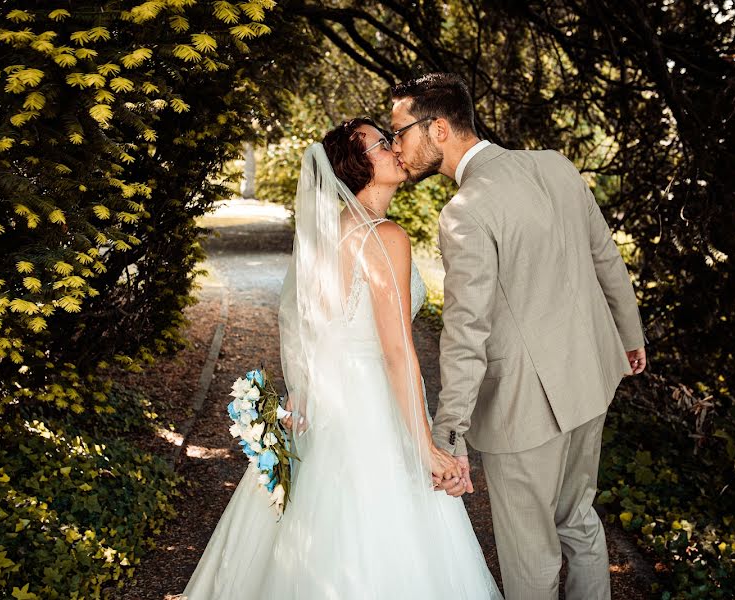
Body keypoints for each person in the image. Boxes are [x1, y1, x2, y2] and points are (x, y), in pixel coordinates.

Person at [182, 118, 502, 599]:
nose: (397, 147)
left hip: (330, 403)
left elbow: (311, 334)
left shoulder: (326, 230)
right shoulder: (385, 236)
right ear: (357, 165)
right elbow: (397, 353)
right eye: (382, 143)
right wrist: (424, 447)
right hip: (372, 408)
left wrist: (304, 399)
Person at [390, 72, 647, 600]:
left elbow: (467, 330)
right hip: (593, 379)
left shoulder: (465, 211)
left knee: (530, 556)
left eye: (400, 131)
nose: (397, 146)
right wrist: (629, 335)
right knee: (578, 519)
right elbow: (606, 257)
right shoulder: (554, 165)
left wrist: (448, 431)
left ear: (438, 128)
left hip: (526, 408)